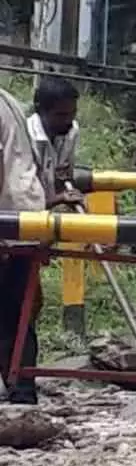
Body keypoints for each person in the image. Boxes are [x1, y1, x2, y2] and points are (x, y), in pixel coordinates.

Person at [0, 84, 49, 405]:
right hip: (23, 219)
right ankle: (21, 389)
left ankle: (21, 391)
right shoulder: (6, 98)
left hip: (9, 221)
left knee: (10, 311)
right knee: (16, 312)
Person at [26, 75, 83, 208]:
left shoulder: (71, 131)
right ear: (39, 110)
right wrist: (59, 199)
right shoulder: (26, 137)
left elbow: (63, 176)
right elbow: (21, 200)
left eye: (73, 113)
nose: (68, 120)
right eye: (61, 115)